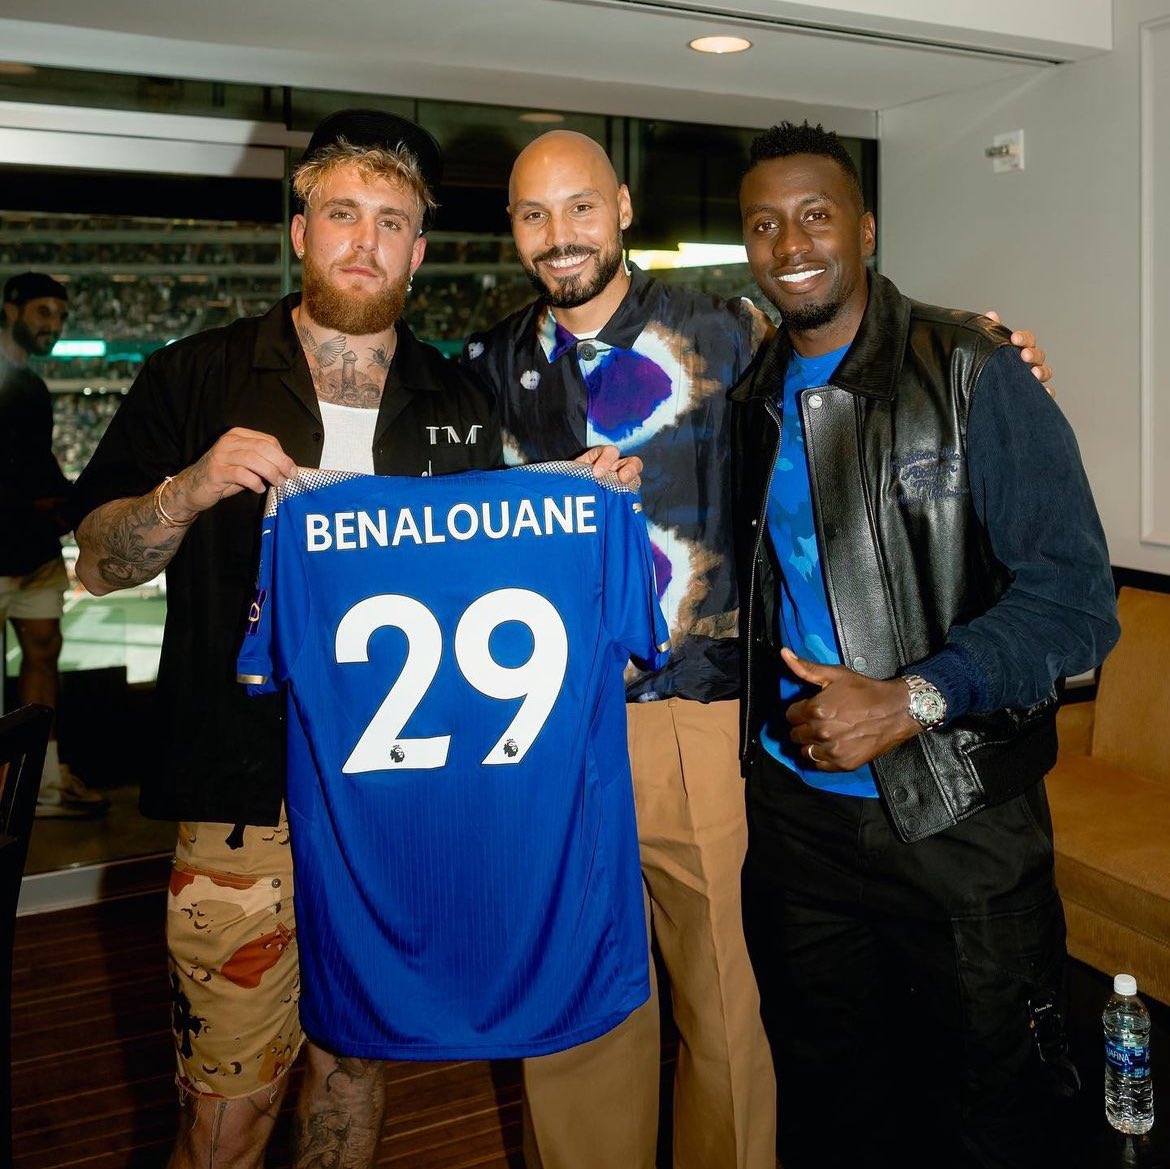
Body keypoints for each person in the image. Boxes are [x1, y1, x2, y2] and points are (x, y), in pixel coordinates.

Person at [462, 130, 1054, 1169]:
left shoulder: (733, 332)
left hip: (702, 715)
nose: (560, 235)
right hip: (551, 732)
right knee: (574, 1008)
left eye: (580, 207)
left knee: (731, 1012)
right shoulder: (485, 366)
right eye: (534, 214)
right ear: (512, 229)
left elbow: (873, 357)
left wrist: (993, 359)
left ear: (624, 207)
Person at [70, 110, 508, 1169]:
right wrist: (190, 487)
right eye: (342, 214)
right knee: (228, 1109)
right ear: (299, 230)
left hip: (397, 800)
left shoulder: (458, 398)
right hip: (242, 797)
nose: (366, 240)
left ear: (419, 246)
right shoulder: (196, 376)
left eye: (392, 221)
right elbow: (96, 560)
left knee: (355, 1067)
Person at [729, 120, 1120, 1169]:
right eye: (764, 223)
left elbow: (1079, 602)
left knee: (993, 1110)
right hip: (798, 821)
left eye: (814, 214)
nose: (790, 241)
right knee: (830, 1096)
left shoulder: (974, 369)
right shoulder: (751, 397)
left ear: (864, 226)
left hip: (957, 813)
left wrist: (912, 699)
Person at [0, 271, 109, 818]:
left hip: (34, 553)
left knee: (43, 656)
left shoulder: (35, 388)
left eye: (61, 316)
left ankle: (39, 785)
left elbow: (39, 469)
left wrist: (72, 502)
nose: (54, 326)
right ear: (11, 308)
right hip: (10, 544)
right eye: (44, 312)